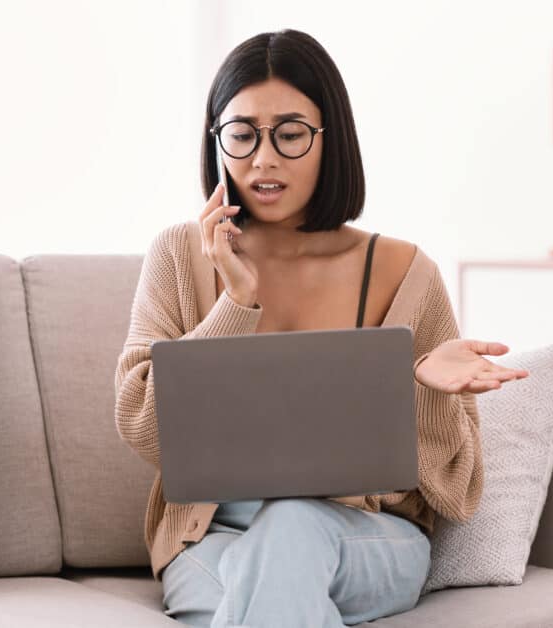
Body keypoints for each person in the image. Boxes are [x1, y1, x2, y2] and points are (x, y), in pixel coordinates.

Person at [114, 28, 529, 628]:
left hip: (366, 541)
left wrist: (419, 387)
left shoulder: (403, 270)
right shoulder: (180, 255)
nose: (263, 159)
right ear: (215, 140)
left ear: (330, 139)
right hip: (212, 542)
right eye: (241, 135)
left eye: (289, 135)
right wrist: (235, 298)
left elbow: (456, 489)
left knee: (292, 528)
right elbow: (140, 423)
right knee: (271, 591)